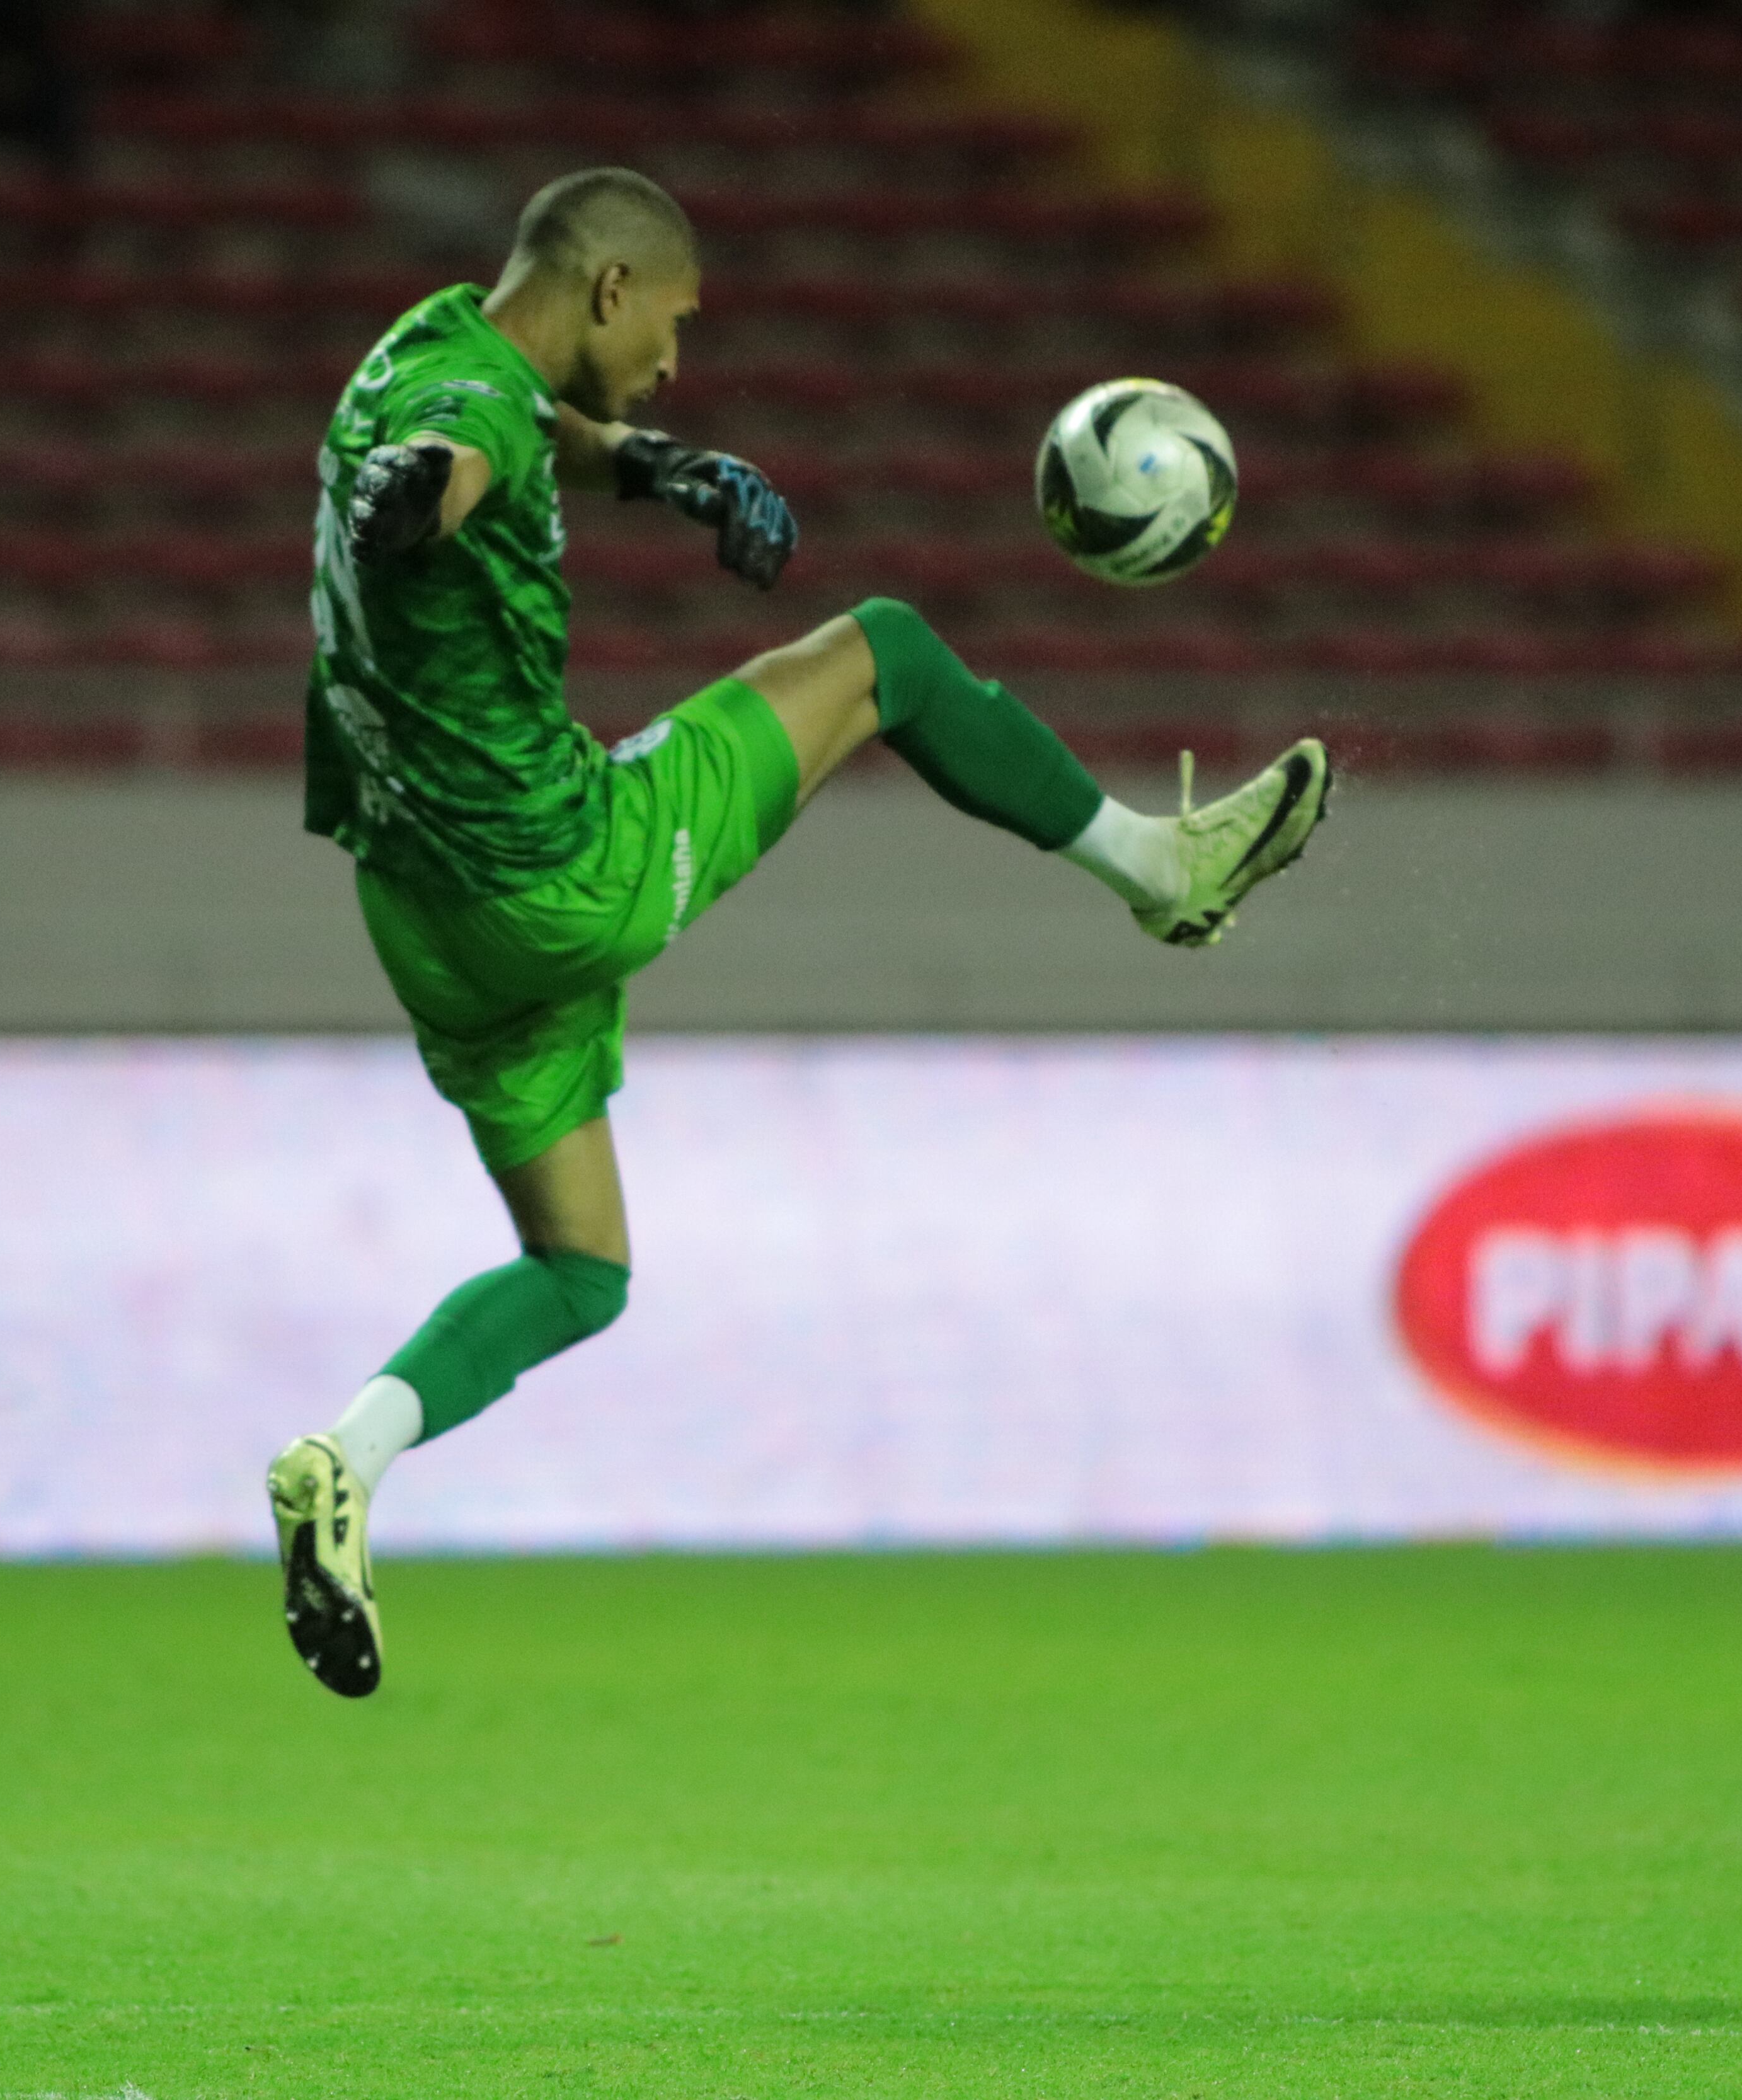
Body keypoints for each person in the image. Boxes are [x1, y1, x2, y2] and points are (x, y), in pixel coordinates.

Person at [268, 168, 1331, 1698]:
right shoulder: (464, 420)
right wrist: (408, 508)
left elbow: (502, 426)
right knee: (880, 650)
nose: (675, 366)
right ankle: (1159, 869)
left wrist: (661, 467)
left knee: (579, 1268)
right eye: (674, 330)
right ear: (613, 288)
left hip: (420, 911)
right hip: (555, 870)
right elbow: (453, 465)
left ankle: (340, 1458)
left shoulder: (421, 347)